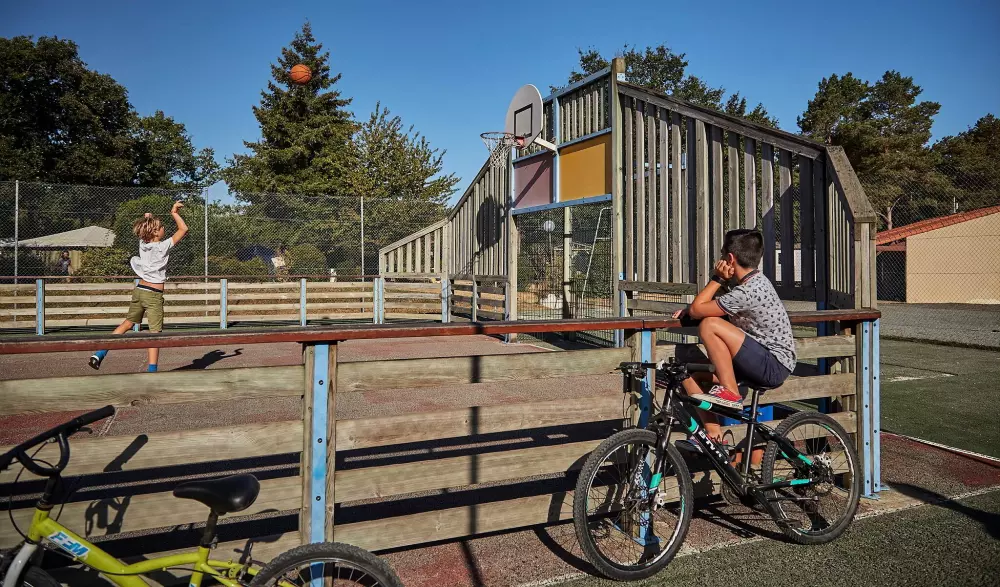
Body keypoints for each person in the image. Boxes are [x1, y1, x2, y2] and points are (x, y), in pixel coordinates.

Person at [672, 229, 796, 460]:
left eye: (721, 255)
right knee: (685, 374)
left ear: (729, 259)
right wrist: (692, 310)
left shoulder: (749, 290)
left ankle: (730, 393)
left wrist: (717, 278)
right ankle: (713, 436)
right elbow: (703, 307)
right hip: (757, 359)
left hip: (772, 364)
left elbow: (701, 310)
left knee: (709, 324)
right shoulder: (749, 285)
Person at [89, 202, 188, 372]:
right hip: (153, 295)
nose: (164, 228)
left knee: (127, 323)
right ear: (155, 232)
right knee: (155, 335)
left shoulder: (144, 244)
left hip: (140, 290)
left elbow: (146, 231)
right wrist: (174, 212)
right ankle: (151, 372)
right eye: (161, 227)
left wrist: (147, 218)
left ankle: (99, 353)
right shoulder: (162, 247)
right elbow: (183, 229)